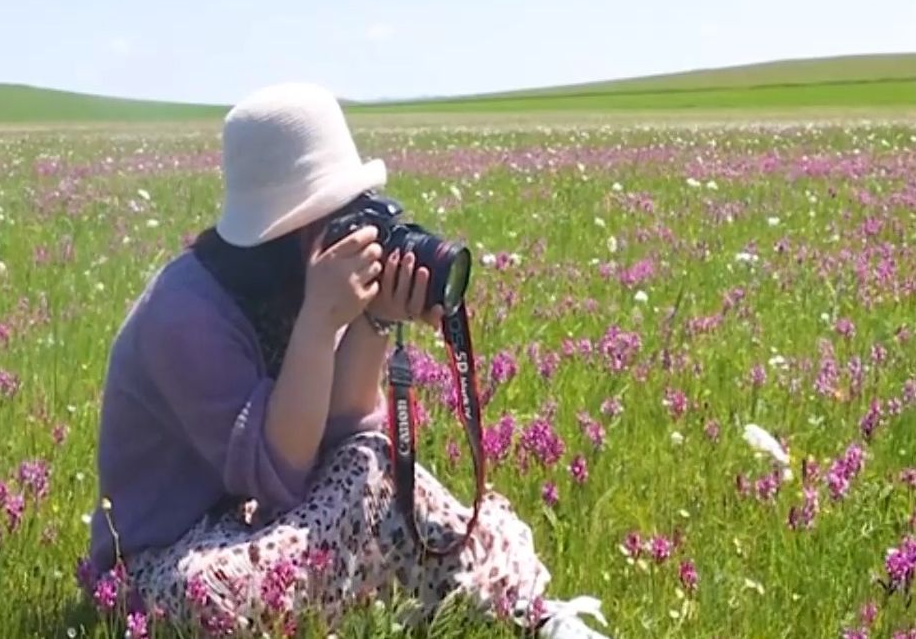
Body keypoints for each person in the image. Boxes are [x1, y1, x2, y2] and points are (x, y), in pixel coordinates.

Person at [86, 82, 609, 638]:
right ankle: (441, 597)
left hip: (261, 528)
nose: (356, 234)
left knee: (372, 464)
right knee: (220, 594)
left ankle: (530, 612)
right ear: (293, 230)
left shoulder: (291, 284)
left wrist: (374, 320)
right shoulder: (183, 313)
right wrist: (319, 319)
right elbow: (278, 473)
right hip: (161, 563)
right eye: (340, 218)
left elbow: (346, 434)